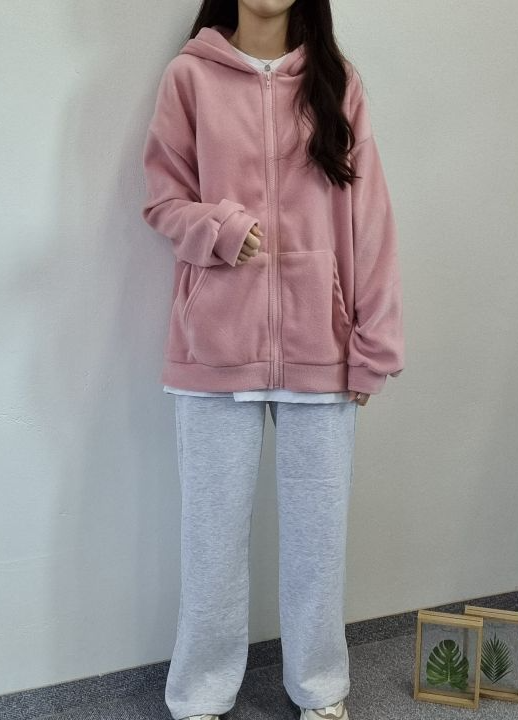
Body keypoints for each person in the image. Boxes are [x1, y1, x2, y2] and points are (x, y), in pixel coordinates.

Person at [141, 2, 404, 719]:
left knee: (319, 542)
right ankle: (200, 694)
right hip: (212, 348)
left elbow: (371, 218)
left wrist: (372, 347)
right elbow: (162, 201)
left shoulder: (336, 81)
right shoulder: (189, 77)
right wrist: (220, 227)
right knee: (211, 542)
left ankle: (320, 688)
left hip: (323, 346)